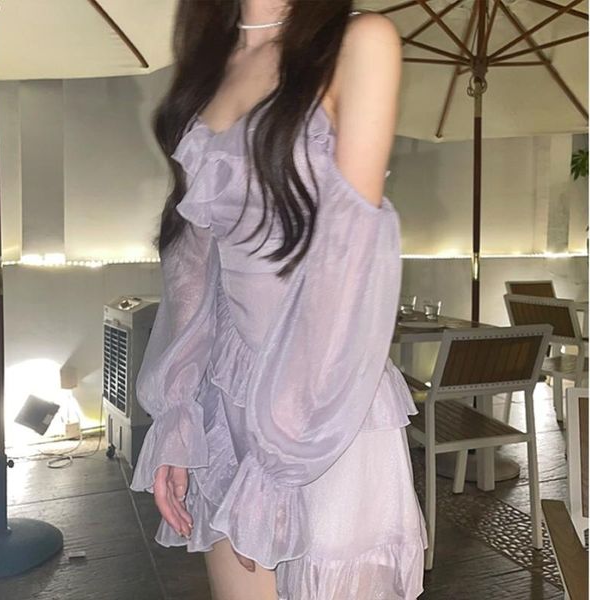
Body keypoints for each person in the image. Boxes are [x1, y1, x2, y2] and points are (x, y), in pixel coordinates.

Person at [130, 1, 427, 598]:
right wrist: (178, 416)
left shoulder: (357, 41)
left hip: (322, 412)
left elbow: (348, 263)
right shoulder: (210, 63)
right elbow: (193, 268)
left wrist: (281, 459)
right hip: (226, 402)